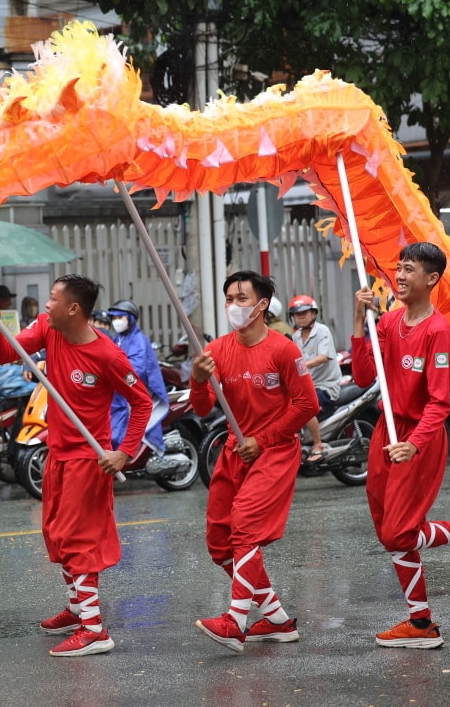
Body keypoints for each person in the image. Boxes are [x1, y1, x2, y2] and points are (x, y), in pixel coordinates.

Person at [0, 274, 152, 657]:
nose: (46, 305)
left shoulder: (107, 355)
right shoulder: (47, 328)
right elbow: (3, 354)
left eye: (53, 299)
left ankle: (94, 629)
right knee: (56, 535)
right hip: (56, 453)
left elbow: (142, 403)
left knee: (79, 541)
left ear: (73, 308)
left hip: (89, 460)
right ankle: (76, 609)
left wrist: (124, 452)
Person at [352, 242, 450, 649]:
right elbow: (364, 376)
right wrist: (359, 322)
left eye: (409, 269)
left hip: (419, 436)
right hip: (386, 431)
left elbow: (439, 404)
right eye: (399, 268)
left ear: (432, 279)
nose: (399, 276)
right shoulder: (389, 321)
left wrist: (414, 445)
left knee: (398, 532)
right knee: (388, 532)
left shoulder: (438, 331)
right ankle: (420, 621)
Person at [189, 271, 318, 653]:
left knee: (244, 527)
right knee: (219, 543)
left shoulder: (284, 349)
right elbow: (202, 408)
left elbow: (307, 405)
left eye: (241, 298)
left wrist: (261, 441)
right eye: (229, 298)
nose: (233, 305)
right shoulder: (216, 350)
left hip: (275, 451)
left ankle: (236, 620)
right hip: (234, 451)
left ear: (261, 305)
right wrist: (197, 378)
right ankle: (277, 620)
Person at [106, 299, 168, 454]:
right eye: (114, 318)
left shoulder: (138, 339)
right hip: (121, 388)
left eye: (120, 317)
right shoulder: (118, 338)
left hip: (136, 389)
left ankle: (126, 452)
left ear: (131, 319)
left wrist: (114, 375)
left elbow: (136, 368)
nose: (116, 321)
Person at [286, 295, 343, 462]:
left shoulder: (322, 331)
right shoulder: (296, 337)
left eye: (304, 313)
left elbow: (323, 357)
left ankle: (318, 444)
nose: (301, 317)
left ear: (313, 313)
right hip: (307, 385)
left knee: (305, 406)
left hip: (326, 386)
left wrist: (302, 365)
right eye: (297, 314)